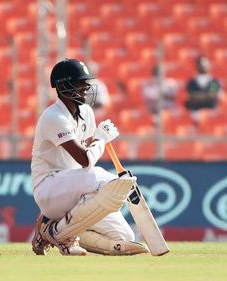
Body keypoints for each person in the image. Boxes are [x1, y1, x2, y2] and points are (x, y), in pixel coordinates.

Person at [30, 58, 149, 256]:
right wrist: (101, 139)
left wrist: (98, 140)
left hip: (77, 189)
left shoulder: (86, 112)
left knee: (124, 235)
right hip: (50, 189)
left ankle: (56, 229)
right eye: (79, 82)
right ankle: (56, 233)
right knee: (104, 179)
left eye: (86, 82)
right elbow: (85, 161)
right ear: (62, 85)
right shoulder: (54, 117)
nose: (86, 87)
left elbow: (85, 165)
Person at [184, 55, 222, 126]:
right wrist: (206, 95)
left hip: (211, 115)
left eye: (205, 64)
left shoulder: (213, 82)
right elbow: (190, 97)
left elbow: (213, 97)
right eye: (201, 64)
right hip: (194, 115)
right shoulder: (192, 82)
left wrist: (198, 96)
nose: (203, 66)